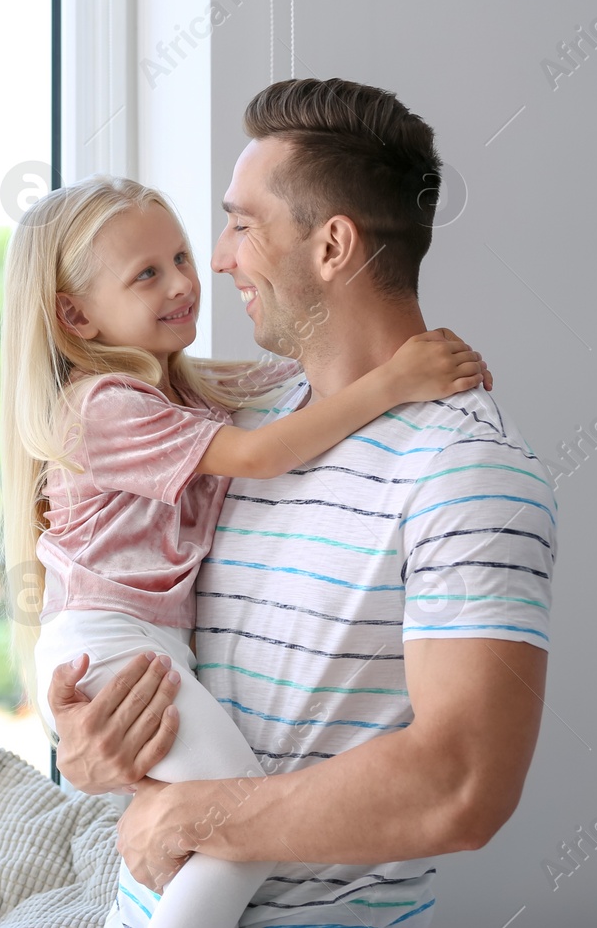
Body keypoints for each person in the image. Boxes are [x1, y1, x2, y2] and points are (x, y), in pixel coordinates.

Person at [44, 78, 555, 927]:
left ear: (333, 247)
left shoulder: (467, 468)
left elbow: (463, 785)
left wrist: (194, 813)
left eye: (242, 224)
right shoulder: (234, 425)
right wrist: (96, 749)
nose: (215, 258)